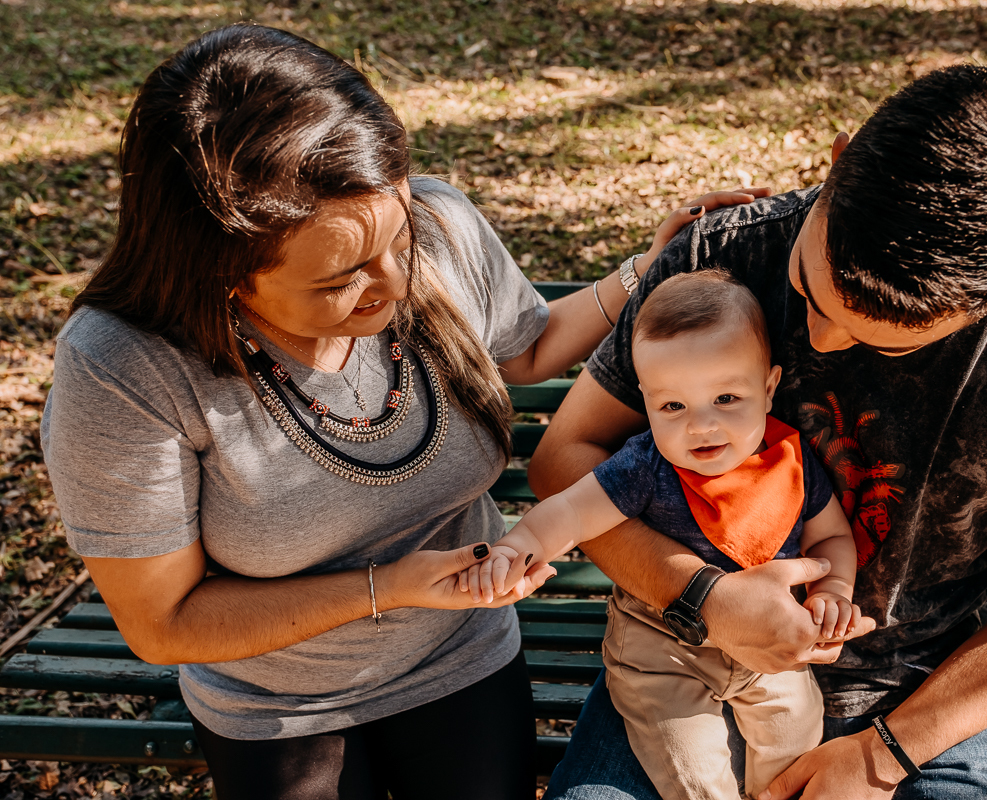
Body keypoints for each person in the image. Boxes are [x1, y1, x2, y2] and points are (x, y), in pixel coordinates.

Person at [39, 23, 761, 800]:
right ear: (224, 274)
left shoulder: (439, 226)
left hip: (461, 655)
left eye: (399, 237)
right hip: (281, 708)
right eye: (340, 280)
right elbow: (163, 622)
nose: (392, 283)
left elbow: (527, 347)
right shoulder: (122, 366)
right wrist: (388, 587)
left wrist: (644, 270)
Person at [535, 64, 987, 800]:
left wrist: (879, 758)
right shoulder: (713, 259)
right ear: (839, 160)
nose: (816, 341)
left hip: (917, 703)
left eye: (882, 342)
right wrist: (704, 598)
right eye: (810, 291)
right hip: (680, 666)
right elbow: (566, 458)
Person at [462, 271, 866, 800]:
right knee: (691, 765)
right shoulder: (643, 468)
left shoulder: (790, 461)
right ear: (647, 400)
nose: (701, 425)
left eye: (726, 397)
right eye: (672, 405)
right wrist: (517, 548)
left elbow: (830, 538)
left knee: (795, 732)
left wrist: (832, 592)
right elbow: (570, 512)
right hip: (662, 647)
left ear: (768, 389)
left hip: (767, 644)